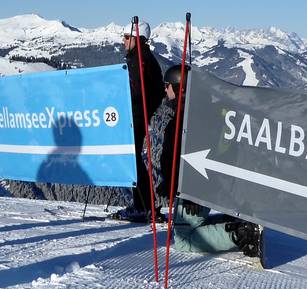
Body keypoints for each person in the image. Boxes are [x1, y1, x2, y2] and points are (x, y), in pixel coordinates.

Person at [157, 64, 263, 260]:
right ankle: (238, 222)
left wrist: (190, 192)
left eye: (167, 85)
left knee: (184, 239)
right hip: (202, 185)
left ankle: (241, 234)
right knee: (187, 227)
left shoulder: (186, 119)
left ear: (180, 87)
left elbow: (190, 155)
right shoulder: (203, 110)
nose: (165, 89)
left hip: (192, 189)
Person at [112, 19, 164, 221]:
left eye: (127, 37)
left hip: (135, 116)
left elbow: (136, 91)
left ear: (138, 38)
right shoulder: (142, 58)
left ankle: (142, 206)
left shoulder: (139, 60)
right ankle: (144, 204)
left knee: (132, 158)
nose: (124, 41)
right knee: (132, 158)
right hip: (139, 114)